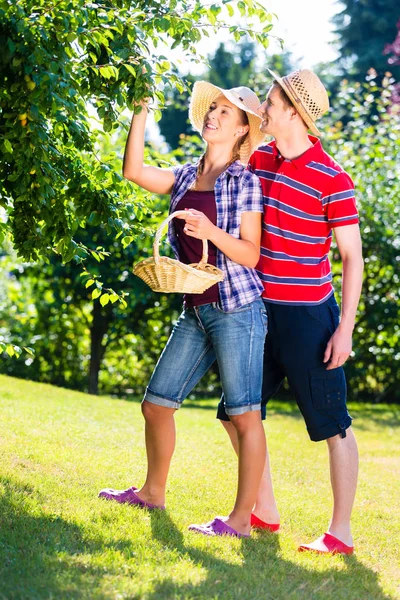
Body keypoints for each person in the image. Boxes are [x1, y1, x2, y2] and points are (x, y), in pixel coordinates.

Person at [99, 81, 268, 538]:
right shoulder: (185, 175)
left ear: (241, 132)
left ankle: (240, 523)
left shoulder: (245, 182)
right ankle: (154, 493)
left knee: (244, 415)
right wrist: (141, 110)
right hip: (196, 307)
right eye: (211, 109)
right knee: (156, 405)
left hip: (238, 309)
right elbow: (133, 169)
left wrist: (211, 232)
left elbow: (251, 255)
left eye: (225, 114)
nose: (213, 116)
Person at [217, 68, 364, 554]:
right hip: (260, 313)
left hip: (309, 319)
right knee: (234, 412)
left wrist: (344, 330)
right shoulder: (261, 158)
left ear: (295, 114)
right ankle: (266, 510)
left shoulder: (333, 178)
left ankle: (339, 533)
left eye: (272, 104)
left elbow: (350, 258)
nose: (264, 110)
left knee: (332, 424)